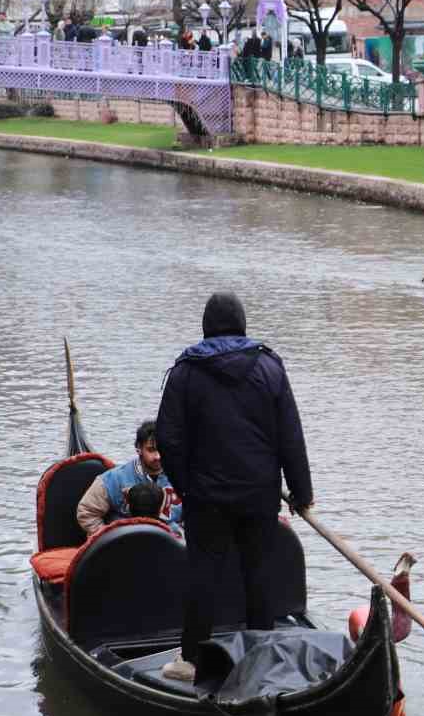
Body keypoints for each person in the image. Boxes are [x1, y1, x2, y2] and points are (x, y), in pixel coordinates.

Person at [156, 292, 313, 683]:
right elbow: (290, 436)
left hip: (205, 497)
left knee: (203, 577)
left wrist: (187, 486)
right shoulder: (271, 368)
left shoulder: (185, 372)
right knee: (259, 574)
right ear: (242, 324)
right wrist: (302, 492)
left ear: (205, 327)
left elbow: (169, 440)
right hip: (259, 493)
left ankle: (191, 660)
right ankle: (262, 657)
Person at [75, 420, 183, 536]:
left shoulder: (185, 478)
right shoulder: (114, 479)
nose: (158, 456)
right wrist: (108, 537)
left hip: (172, 541)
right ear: (138, 448)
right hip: (125, 541)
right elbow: (87, 512)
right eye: (151, 450)